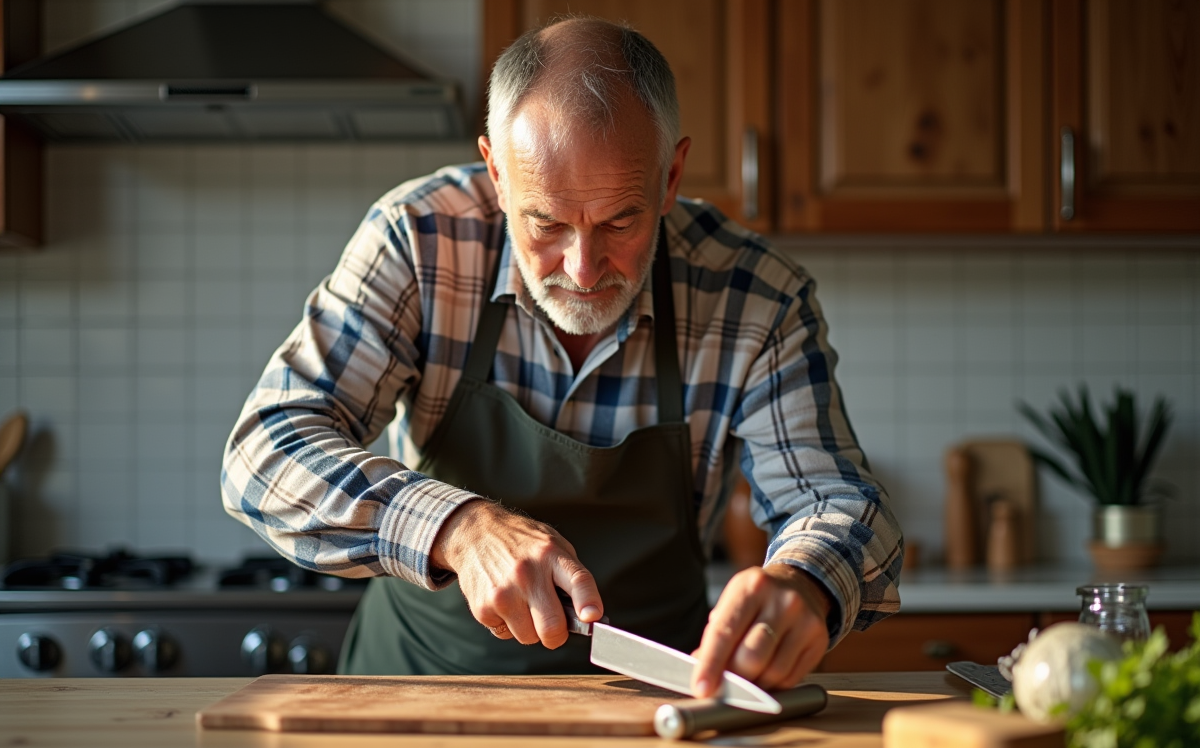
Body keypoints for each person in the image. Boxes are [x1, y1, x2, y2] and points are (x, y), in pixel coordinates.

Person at [221, 16, 902, 696]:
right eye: (546, 223)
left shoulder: (756, 297)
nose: (582, 269)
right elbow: (263, 452)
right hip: (418, 692)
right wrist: (457, 526)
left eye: (621, 222)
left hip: (653, 703)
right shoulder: (419, 241)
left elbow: (835, 502)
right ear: (495, 173)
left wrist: (805, 582)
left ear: (671, 176)